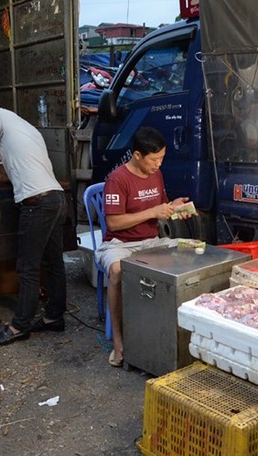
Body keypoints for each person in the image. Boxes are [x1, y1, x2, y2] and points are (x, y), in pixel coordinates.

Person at [0, 95, 67, 346]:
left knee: (27, 267)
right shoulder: (25, 126)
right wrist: (8, 178)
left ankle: (19, 325)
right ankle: (54, 317)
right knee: (54, 262)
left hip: (37, 204)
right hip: (55, 197)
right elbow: (29, 163)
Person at [94, 127, 191, 367]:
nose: (158, 164)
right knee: (117, 271)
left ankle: (171, 334)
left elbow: (159, 209)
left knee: (190, 254)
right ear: (137, 155)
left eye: (162, 158)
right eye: (154, 159)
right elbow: (114, 222)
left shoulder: (155, 174)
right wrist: (153, 211)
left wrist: (173, 207)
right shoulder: (117, 179)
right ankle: (119, 342)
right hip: (120, 244)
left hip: (151, 242)